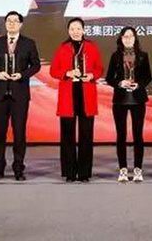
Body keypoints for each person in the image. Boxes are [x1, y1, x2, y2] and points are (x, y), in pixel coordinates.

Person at [0, 11, 41, 181]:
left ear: (21, 24)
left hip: (20, 95)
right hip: (0, 94)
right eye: (9, 21)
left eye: (15, 21)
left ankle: (18, 169)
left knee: (19, 133)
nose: (12, 23)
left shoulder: (29, 43)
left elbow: (36, 65)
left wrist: (22, 75)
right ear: (5, 23)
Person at [49, 18, 103, 182]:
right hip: (68, 96)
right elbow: (53, 70)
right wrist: (67, 73)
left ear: (83, 30)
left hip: (86, 95)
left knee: (86, 135)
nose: (75, 31)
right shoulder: (63, 48)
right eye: (72, 29)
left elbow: (100, 69)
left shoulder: (92, 47)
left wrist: (92, 75)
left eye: (78, 28)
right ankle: (70, 172)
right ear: (68, 31)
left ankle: (84, 173)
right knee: (67, 136)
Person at [105, 26, 152, 183]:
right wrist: (120, 83)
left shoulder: (143, 56)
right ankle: (123, 169)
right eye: (125, 36)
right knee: (121, 135)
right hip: (120, 99)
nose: (128, 39)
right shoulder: (115, 56)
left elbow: (148, 76)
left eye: (131, 36)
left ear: (135, 38)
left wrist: (139, 84)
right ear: (121, 38)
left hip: (138, 99)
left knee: (138, 134)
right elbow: (109, 78)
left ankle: (138, 169)